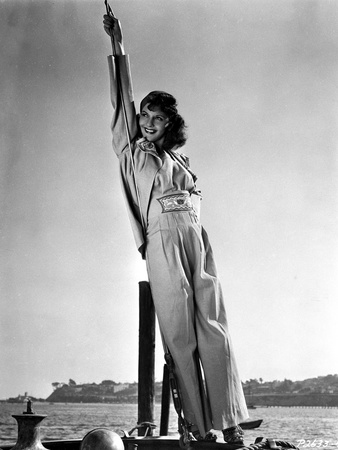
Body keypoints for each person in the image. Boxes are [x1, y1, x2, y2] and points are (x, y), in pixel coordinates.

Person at [103, 10, 249, 445]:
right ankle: (204, 431)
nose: (148, 122)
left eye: (157, 118)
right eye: (145, 115)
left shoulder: (181, 161)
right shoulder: (131, 149)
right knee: (181, 338)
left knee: (215, 331)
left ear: (170, 124)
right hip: (162, 241)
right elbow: (121, 96)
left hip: (197, 240)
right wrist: (118, 44)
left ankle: (231, 423)